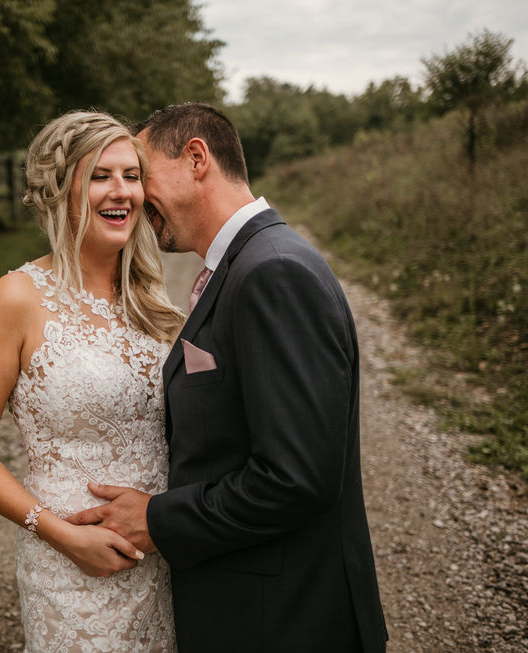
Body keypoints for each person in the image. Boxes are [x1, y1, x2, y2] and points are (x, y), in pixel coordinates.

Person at [68, 103, 389, 652]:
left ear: (196, 159)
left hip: (284, 621)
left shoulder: (273, 272)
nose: (137, 197)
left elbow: (297, 478)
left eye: (143, 174)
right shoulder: (248, 262)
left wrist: (159, 520)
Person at [0, 110, 184, 652]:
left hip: (165, 559)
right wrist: (61, 534)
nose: (121, 191)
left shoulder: (149, 297)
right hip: (73, 570)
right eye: (100, 175)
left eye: (131, 175)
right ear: (61, 190)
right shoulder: (15, 298)